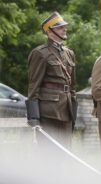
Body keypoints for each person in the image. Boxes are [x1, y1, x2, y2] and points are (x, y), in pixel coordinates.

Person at [27, 11, 77, 147]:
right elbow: (33, 86)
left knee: (65, 153)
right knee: (48, 155)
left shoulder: (69, 54)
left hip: (66, 111)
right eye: (60, 27)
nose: (64, 29)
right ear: (50, 31)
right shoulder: (40, 53)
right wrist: (34, 118)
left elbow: (72, 86)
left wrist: (73, 111)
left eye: (64, 26)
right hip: (49, 112)